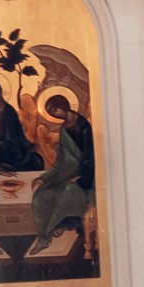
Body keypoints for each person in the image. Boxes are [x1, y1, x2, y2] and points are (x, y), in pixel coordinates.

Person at [29, 93, 96, 248]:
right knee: (41, 195)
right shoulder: (64, 128)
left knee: (68, 190)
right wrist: (45, 178)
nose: (54, 114)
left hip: (87, 176)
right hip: (66, 173)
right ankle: (44, 235)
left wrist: (80, 178)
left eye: (55, 110)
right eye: (50, 112)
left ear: (63, 105)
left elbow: (90, 155)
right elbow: (61, 159)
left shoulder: (83, 125)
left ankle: (57, 226)